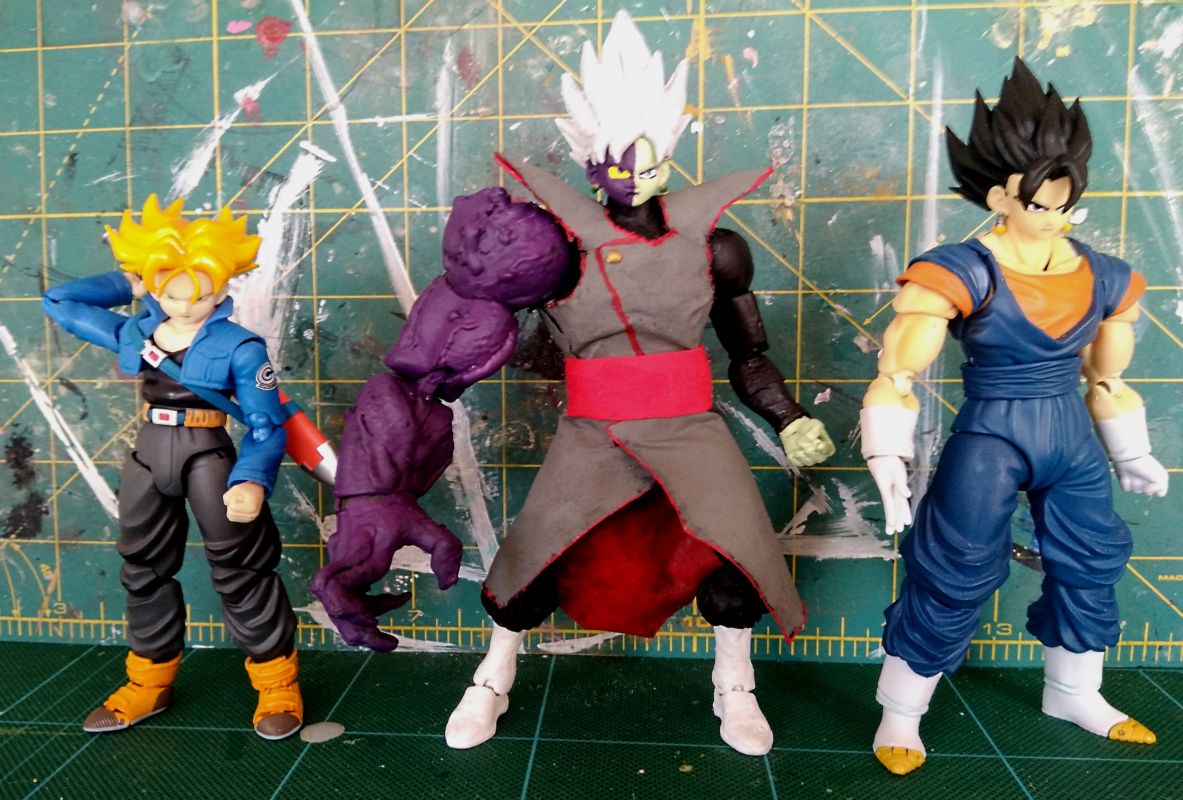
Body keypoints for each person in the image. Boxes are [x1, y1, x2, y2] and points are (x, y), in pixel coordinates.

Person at [311, 10, 835, 757]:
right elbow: (429, 358)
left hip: (689, 426)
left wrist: (787, 417)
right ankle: (492, 677)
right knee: (534, 557)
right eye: (614, 156)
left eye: (645, 150)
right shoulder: (553, 249)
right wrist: (378, 482)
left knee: (736, 554)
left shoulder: (715, 247)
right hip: (594, 430)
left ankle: (735, 684)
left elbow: (748, 354)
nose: (631, 170)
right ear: (591, 161)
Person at [860, 58, 1168, 775]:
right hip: (992, 436)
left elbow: (1108, 377)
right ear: (1000, 194)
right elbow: (898, 371)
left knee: (1089, 563)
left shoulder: (1104, 276)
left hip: (1071, 438)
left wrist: (1131, 451)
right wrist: (885, 454)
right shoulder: (960, 270)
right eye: (1039, 200)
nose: (1054, 214)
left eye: (1065, 200)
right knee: (954, 568)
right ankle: (900, 713)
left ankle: (1075, 692)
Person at [42, 196, 304, 740]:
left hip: (208, 455)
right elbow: (60, 300)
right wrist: (128, 283)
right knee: (143, 567)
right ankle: (149, 680)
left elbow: (266, 426)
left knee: (240, 567)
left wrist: (252, 479)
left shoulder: (240, 347)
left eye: (199, 295)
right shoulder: (136, 333)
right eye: (170, 294)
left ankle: (277, 682)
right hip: (149, 451)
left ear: (221, 290)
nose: (184, 307)